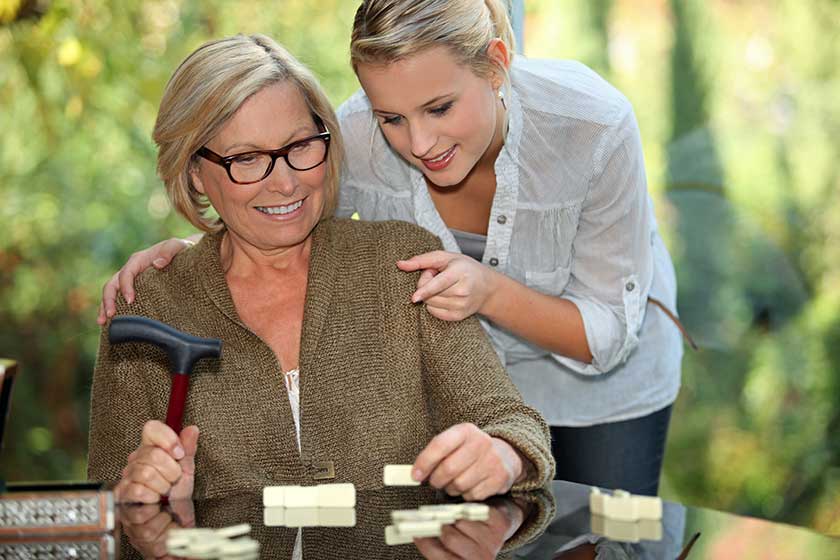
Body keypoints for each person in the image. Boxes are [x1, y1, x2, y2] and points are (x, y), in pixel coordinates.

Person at [96, 0, 683, 496]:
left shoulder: (591, 126)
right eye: (392, 117)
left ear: (498, 64)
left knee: (611, 543)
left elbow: (605, 335)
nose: (419, 143)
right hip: (484, 384)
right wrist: (196, 247)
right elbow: (281, 197)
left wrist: (488, 292)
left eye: (440, 108)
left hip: (606, 369)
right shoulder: (350, 139)